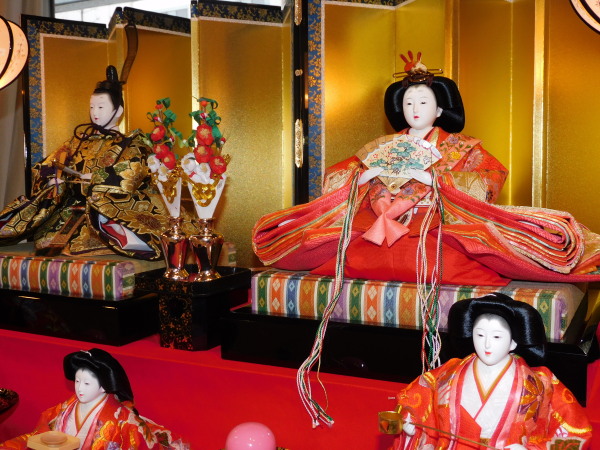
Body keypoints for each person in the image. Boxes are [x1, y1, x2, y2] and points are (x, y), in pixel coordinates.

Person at [252, 52, 600, 283]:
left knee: (448, 251)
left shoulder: (461, 147)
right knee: (344, 246)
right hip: (378, 220)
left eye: (423, 101)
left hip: (436, 218)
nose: (415, 109)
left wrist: (437, 180)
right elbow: (335, 178)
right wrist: (363, 177)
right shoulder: (383, 147)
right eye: (408, 102)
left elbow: (491, 177)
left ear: (439, 110)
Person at [0, 65, 175, 260]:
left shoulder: (131, 142)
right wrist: (57, 179)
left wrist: (96, 178)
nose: (95, 113)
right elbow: (49, 164)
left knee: (116, 226)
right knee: (45, 235)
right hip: (73, 211)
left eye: (101, 107)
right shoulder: (78, 141)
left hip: (107, 208)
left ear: (118, 110)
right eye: (91, 107)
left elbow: (132, 172)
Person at [389, 293, 592, 449]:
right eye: (479, 335)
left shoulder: (541, 381)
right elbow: (414, 401)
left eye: (496, 337)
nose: (486, 344)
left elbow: (575, 431)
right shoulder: (448, 372)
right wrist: (409, 423)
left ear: (513, 342)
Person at [0, 348, 188, 449]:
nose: (80, 388)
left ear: (104, 386)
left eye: (87, 383)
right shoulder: (63, 410)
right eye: (77, 381)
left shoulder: (125, 424)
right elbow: (39, 437)